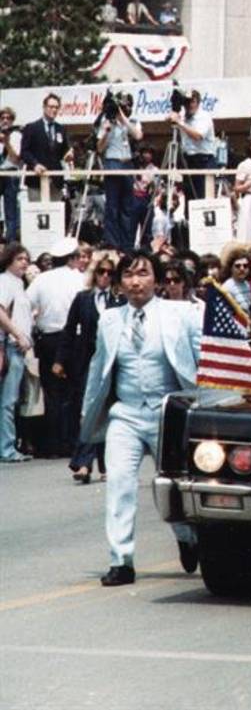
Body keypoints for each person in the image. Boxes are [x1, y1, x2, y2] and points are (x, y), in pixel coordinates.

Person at [79, 250, 202, 586]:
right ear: (119, 283)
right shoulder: (110, 319)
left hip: (169, 413)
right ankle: (121, 560)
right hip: (127, 414)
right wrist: (87, 418)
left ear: (157, 279)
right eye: (129, 275)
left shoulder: (182, 314)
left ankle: (187, 536)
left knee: (174, 484)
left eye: (143, 273)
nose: (136, 282)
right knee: (118, 482)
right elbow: (99, 369)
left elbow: (201, 363)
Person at [53, 250, 125, 483]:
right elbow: (69, 329)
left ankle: (105, 465)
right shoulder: (83, 298)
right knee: (90, 409)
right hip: (87, 362)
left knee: (110, 411)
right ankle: (83, 463)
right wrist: (59, 360)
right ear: (94, 273)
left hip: (114, 362)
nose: (105, 276)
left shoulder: (120, 300)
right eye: (101, 271)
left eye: (109, 272)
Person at [26, 238, 86, 457]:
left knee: (52, 392)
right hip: (75, 339)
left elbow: (26, 304)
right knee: (74, 391)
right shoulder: (80, 279)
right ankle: (72, 441)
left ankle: (54, 444)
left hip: (50, 339)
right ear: (72, 258)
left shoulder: (41, 280)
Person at [0, 244, 34, 463]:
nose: (24, 262)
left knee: (10, 399)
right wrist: (18, 335)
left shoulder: (18, 283)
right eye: (20, 258)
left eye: (26, 259)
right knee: (8, 400)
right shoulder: (5, 281)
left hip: (17, 346)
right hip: (10, 346)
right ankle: (6, 447)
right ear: (9, 259)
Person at [95, 91, 143, 248]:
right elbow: (100, 148)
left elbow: (137, 135)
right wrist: (106, 131)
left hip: (127, 163)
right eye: (122, 106)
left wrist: (123, 119)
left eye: (127, 106)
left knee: (127, 207)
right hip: (113, 162)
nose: (124, 109)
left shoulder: (132, 120)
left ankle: (127, 244)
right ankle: (112, 243)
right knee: (112, 207)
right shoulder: (106, 120)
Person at [20, 92, 73, 209]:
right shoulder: (31, 128)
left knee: (54, 217)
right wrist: (35, 164)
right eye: (51, 106)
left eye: (56, 107)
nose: (54, 110)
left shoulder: (61, 129)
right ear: (44, 107)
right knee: (37, 217)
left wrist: (68, 154)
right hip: (36, 180)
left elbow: (64, 150)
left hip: (56, 181)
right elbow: (24, 152)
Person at [169, 90, 216, 203]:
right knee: (189, 197)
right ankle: (189, 219)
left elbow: (198, 136)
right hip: (188, 160)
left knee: (202, 197)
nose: (189, 105)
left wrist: (180, 123)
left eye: (192, 102)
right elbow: (169, 118)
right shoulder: (184, 117)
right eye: (187, 102)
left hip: (203, 160)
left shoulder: (204, 117)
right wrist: (173, 115)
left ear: (198, 102)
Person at [0, 106, 22, 241]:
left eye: (8, 118)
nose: (5, 121)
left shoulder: (16, 136)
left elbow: (16, 158)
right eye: (2, 118)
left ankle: (11, 242)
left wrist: (7, 142)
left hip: (10, 173)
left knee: (11, 211)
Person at [220, 246, 251, 314]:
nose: (242, 269)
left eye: (245, 266)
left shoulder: (246, 284)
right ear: (231, 268)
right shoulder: (227, 287)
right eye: (238, 266)